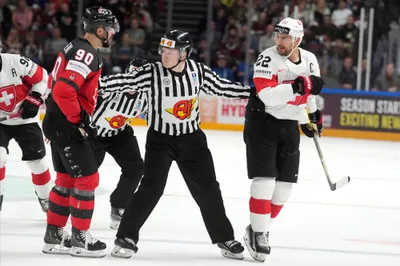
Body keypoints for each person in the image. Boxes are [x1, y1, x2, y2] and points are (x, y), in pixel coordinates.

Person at [100, 29, 251, 260]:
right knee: (151, 188)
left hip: (192, 140)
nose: (165, 55)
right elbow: (122, 81)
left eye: (172, 50)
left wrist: (256, 93)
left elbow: (222, 88)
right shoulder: (151, 73)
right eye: (163, 49)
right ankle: (126, 237)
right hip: (160, 140)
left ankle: (224, 237)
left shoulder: (198, 71)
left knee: (208, 189)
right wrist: (87, 83)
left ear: (184, 53)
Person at [243, 17, 325, 262]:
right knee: (264, 183)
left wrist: (312, 116)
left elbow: (309, 90)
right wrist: (297, 86)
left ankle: (258, 229)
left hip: (289, 124)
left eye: (286, 38)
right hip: (262, 123)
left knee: (284, 189)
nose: (279, 41)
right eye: (277, 36)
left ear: (297, 39)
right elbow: (267, 96)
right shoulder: (267, 58)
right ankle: (260, 233)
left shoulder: (310, 59)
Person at [41, 6, 119, 258]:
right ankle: (79, 241)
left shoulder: (74, 46)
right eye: (109, 30)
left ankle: (53, 235)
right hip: (66, 122)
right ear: (99, 30)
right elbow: (63, 90)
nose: (112, 35)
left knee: (65, 180)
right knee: (88, 179)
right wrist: (79, 121)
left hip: (55, 120)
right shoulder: (87, 54)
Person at [92, 58, 148, 229]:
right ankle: (63, 204)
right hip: (94, 134)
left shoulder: (147, 96)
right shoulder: (112, 85)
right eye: (132, 74)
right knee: (84, 175)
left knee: (136, 168)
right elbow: (81, 97)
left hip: (120, 133)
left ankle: (119, 206)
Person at [0, 38, 51, 214]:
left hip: (25, 120)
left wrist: (35, 97)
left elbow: (42, 77)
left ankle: (45, 197)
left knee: (38, 163)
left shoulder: (15, 61)